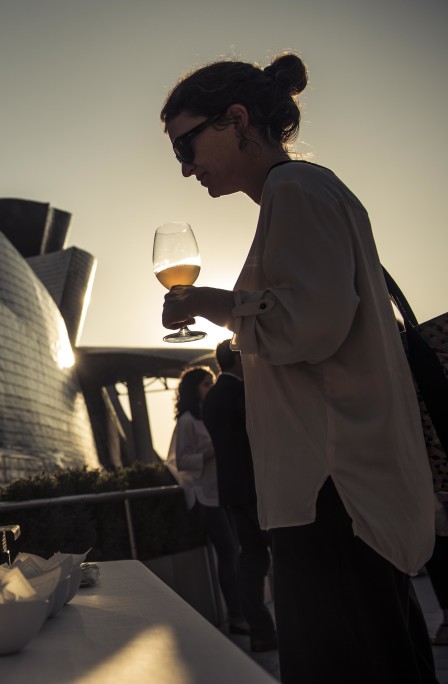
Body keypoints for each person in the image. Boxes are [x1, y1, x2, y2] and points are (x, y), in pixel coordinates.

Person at [159, 53, 436, 683]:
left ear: (236, 119)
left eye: (188, 144)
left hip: (333, 488)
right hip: (335, 485)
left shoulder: (296, 190)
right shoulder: (301, 193)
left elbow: (309, 324)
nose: (186, 167)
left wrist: (216, 305)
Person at [201, 339, 277, 652]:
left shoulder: (211, 398)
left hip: (232, 490)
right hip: (258, 487)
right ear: (237, 360)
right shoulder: (242, 392)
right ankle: (295, 625)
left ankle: (260, 630)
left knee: (250, 557)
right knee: (281, 555)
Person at [165, 366, 245, 636]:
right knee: (229, 553)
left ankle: (241, 612)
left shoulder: (211, 416)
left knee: (237, 553)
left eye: (212, 383)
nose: (211, 388)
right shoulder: (187, 420)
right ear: (193, 389)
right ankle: (235, 616)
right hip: (206, 495)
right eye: (206, 384)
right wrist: (209, 454)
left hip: (225, 491)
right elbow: (180, 460)